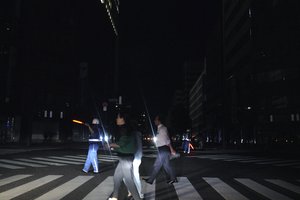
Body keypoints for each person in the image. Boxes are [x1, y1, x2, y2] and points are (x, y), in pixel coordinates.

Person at [108, 112, 142, 200]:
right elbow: (125, 145)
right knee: (116, 177)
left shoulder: (125, 129)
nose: (116, 119)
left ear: (123, 119)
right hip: (124, 157)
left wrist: (111, 145)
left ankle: (137, 198)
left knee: (129, 180)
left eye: (118, 117)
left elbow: (122, 143)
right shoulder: (128, 128)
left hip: (126, 158)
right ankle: (115, 197)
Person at [144, 114, 178, 185]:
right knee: (166, 166)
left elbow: (167, 140)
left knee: (157, 165)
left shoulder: (163, 129)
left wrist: (171, 149)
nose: (154, 121)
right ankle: (173, 178)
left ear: (159, 121)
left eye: (156, 119)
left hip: (163, 149)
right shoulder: (160, 128)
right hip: (162, 149)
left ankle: (150, 180)